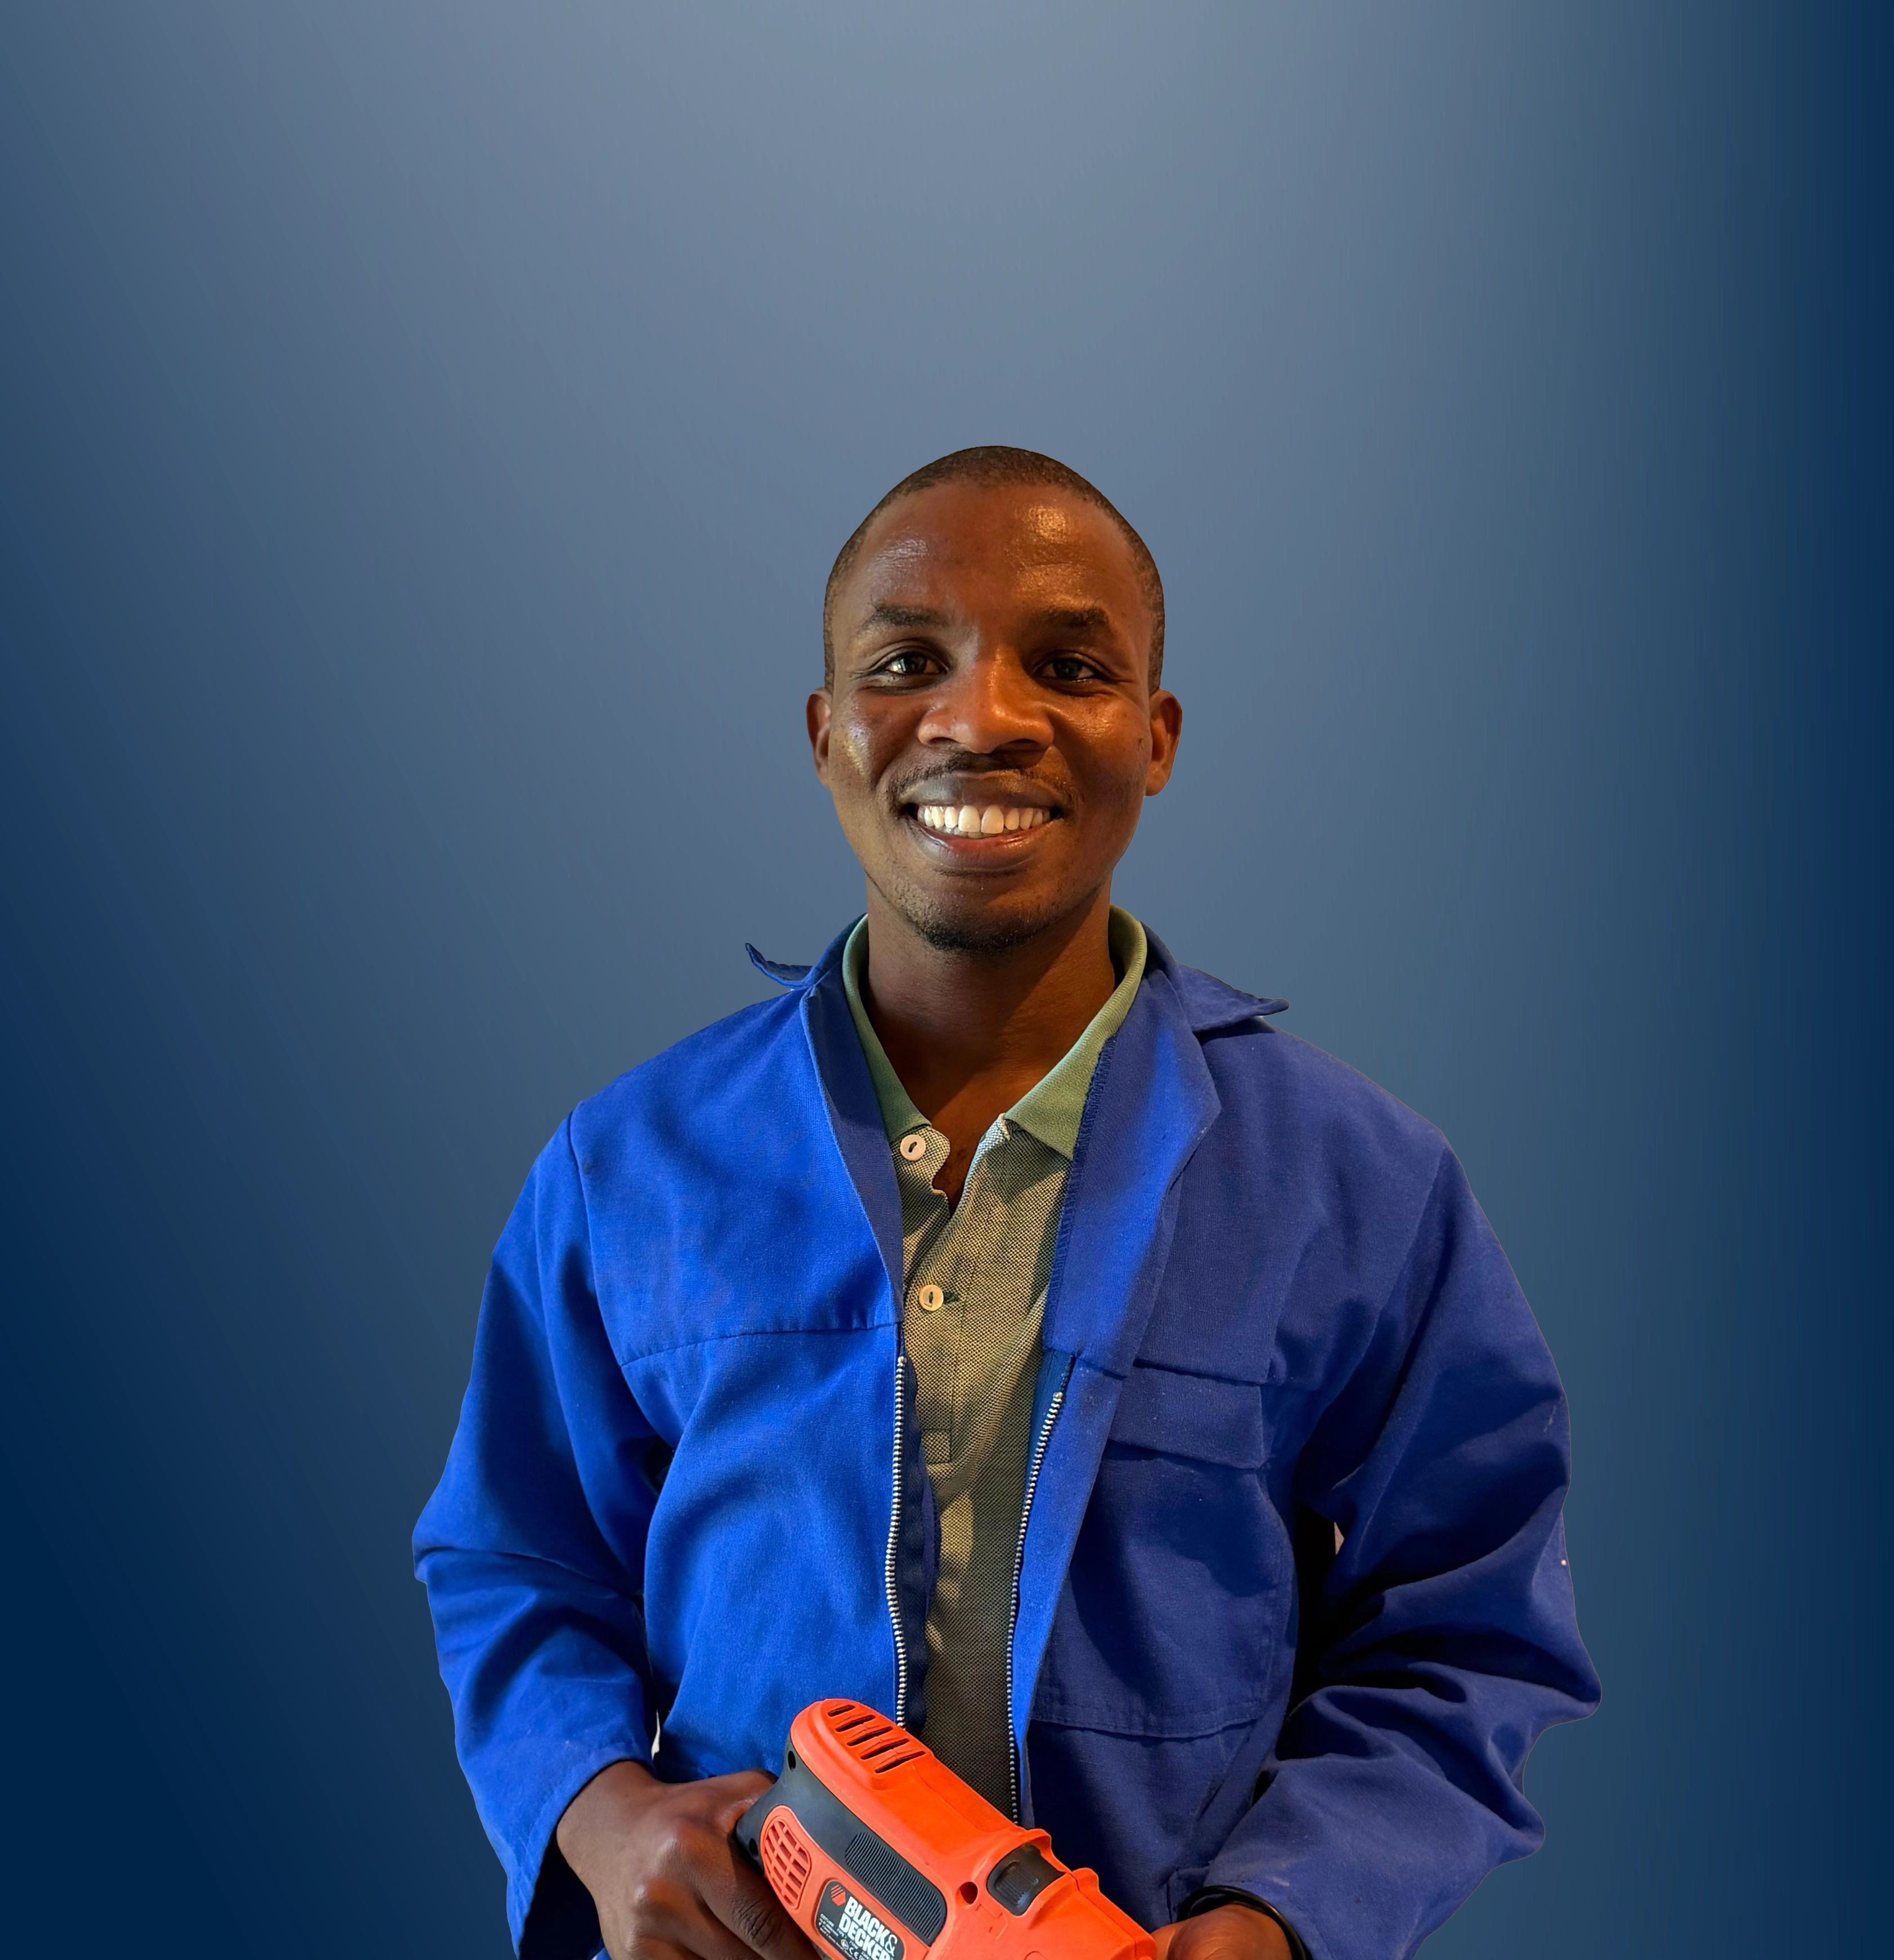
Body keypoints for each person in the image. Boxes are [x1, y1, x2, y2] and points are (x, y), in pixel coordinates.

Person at [414, 447, 1599, 1960]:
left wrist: (1282, 1917)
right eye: (908, 663)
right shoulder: (626, 1166)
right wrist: (600, 1814)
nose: (981, 720)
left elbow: (1466, 1626)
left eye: (1070, 664)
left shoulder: (1362, 1187)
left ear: (1156, 736)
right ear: (825, 732)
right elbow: (516, 1559)